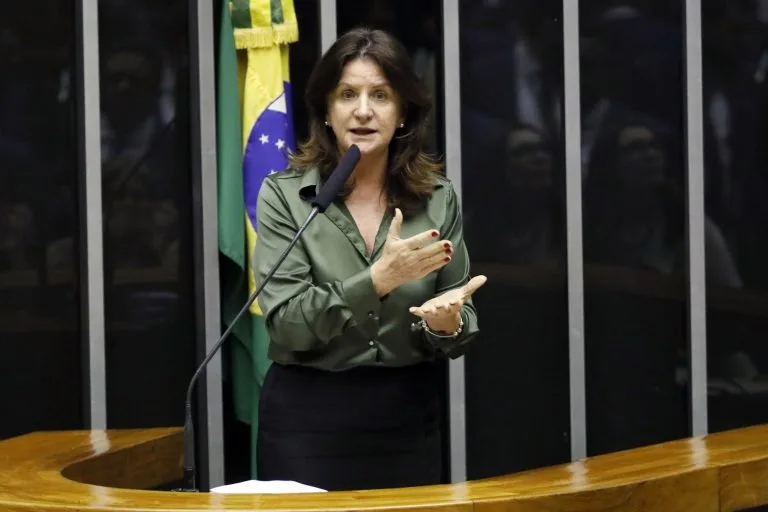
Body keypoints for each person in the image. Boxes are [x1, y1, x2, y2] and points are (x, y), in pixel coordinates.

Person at [253, 27, 487, 492]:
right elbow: (286, 324)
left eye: (380, 95)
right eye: (347, 95)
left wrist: (447, 325)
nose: (363, 110)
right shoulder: (286, 198)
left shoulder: (438, 199)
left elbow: (458, 313)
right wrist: (376, 281)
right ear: (326, 109)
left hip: (406, 417)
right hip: (307, 420)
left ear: (402, 113)